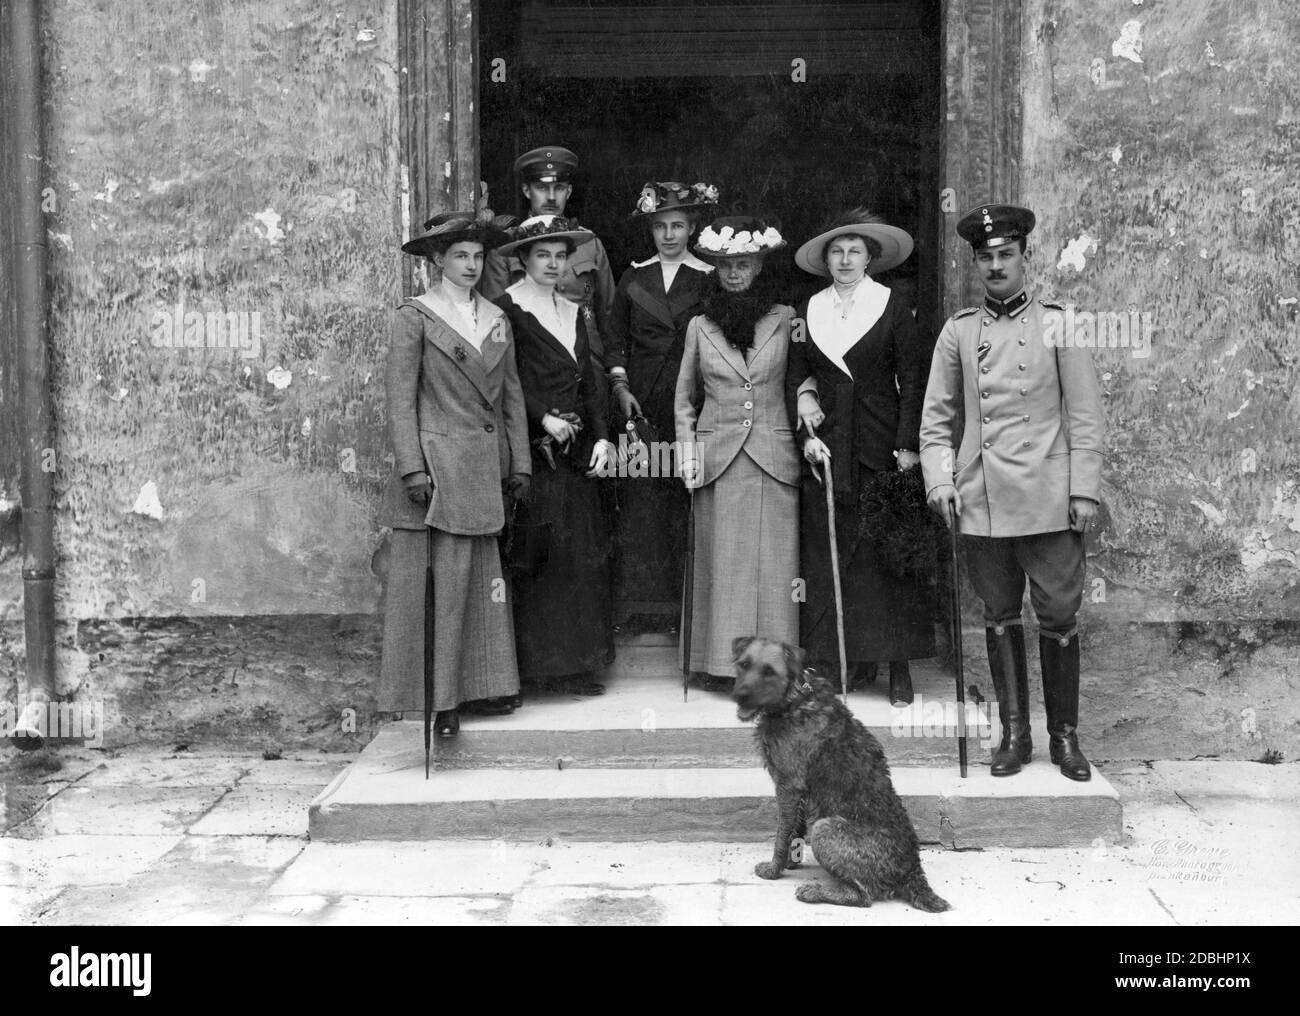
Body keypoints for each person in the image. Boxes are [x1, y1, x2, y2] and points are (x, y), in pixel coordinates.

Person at [920, 203, 1105, 781]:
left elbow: (1086, 416)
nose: (996, 266)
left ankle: (1065, 739)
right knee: (999, 615)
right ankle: (1014, 736)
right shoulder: (959, 331)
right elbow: (936, 421)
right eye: (986, 257)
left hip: (1050, 498)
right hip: (984, 501)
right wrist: (940, 479)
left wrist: (1085, 492)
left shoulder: (1058, 323)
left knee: (1058, 615)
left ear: (1025, 258)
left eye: (1006, 255)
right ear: (975, 263)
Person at [377, 210, 531, 738]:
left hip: (485, 469)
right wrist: (412, 469)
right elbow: (400, 402)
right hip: (439, 472)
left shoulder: (496, 317)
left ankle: (484, 687)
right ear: (437, 260)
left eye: (478, 256)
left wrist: (520, 464)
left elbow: (511, 398)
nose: (470, 265)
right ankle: (443, 703)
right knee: (443, 588)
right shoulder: (414, 316)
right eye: (460, 256)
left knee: (481, 584)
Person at [785, 210, 936, 705]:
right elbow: (798, 372)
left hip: (879, 443)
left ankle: (896, 667)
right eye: (837, 250)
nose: (845, 259)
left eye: (855, 250)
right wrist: (804, 406)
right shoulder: (808, 309)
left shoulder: (894, 305)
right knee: (832, 557)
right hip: (827, 447)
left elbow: (914, 380)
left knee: (885, 555)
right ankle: (838, 661)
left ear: (870, 257)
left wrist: (907, 445)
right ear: (825, 259)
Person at [493, 215, 616, 696]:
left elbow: (589, 380)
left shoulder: (573, 309)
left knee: (580, 554)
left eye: (560, 255)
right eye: (542, 254)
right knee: (538, 554)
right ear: (522, 260)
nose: (552, 263)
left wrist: (603, 436)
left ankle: (578, 666)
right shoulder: (506, 310)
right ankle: (535, 670)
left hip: (578, 452)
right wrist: (543, 417)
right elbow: (504, 381)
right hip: (534, 451)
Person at [674, 215, 799, 686]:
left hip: (772, 453)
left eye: (743, 265)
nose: (733, 274)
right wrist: (687, 453)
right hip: (717, 457)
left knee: (774, 568)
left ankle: (774, 665)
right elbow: (684, 398)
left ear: (760, 266)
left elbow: (802, 378)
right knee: (721, 566)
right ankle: (718, 665)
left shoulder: (786, 319)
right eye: (725, 265)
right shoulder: (700, 327)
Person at [604, 180, 719, 626]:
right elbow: (614, 342)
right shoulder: (633, 276)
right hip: (642, 409)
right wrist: (620, 388)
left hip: (692, 404)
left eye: (677, 225)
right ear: (650, 229)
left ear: (691, 227)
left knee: (685, 506)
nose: (669, 234)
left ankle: (686, 612)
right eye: (660, 226)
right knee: (641, 506)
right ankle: (642, 609)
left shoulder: (709, 278)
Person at [479, 146, 616, 371]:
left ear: (569, 192)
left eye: (559, 187)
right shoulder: (504, 250)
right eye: (542, 187)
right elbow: (495, 323)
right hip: (533, 370)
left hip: (589, 365)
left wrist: (616, 376)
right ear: (526, 190)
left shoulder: (590, 244)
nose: (551, 197)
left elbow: (609, 315)